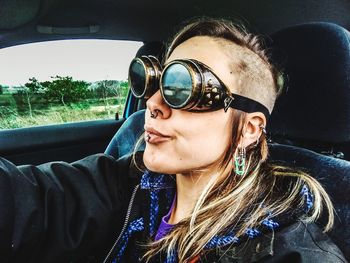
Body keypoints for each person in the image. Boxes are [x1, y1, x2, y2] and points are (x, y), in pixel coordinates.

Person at [0, 18, 346, 263]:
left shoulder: (290, 250)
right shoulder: (129, 184)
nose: (152, 103)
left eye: (184, 87)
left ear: (249, 129)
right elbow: (25, 200)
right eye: (155, 82)